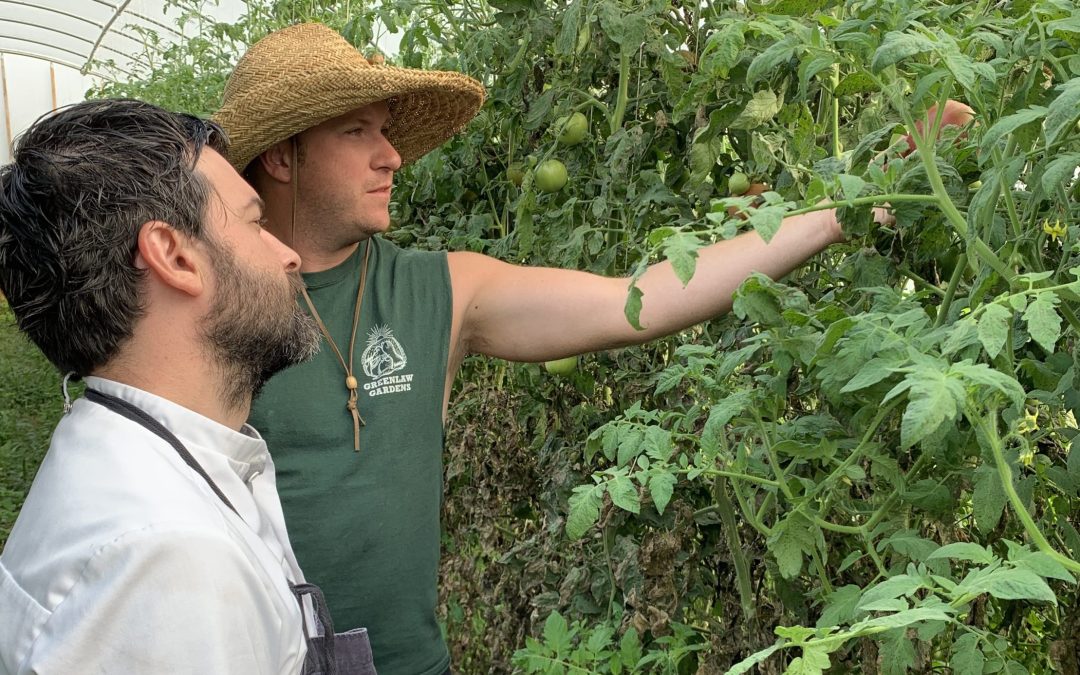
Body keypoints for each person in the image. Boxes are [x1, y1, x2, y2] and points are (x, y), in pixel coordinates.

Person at [212, 23, 910, 675]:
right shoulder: (213, 308)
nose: (390, 154)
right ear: (282, 154)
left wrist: (840, 213)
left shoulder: (442, 291)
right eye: (357, 131)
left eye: (387, 131)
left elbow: (640, 300)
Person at [0, 99, 376, 674]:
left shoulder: (130, 463)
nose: (289, 255)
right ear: (174, 256)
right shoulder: (169, 560)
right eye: (256, 223)